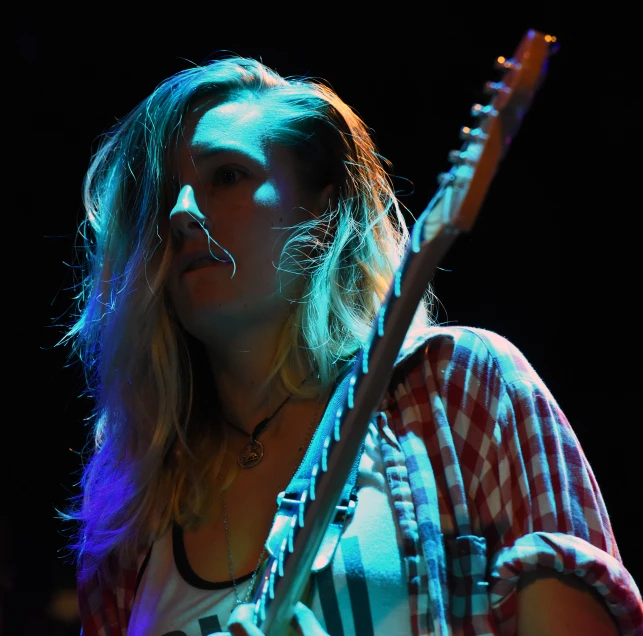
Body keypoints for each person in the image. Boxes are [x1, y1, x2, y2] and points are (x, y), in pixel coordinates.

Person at [60, 55, 642, 636]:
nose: (183, 213)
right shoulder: (131, 519)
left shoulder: (459, 386)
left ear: (318, 204)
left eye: (227, 176)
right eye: (165, 196)